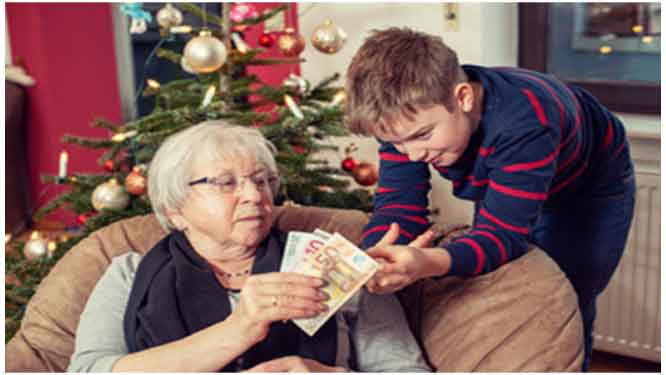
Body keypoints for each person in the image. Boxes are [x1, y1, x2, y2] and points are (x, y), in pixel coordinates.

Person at [344, 27, 635, 371]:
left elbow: (501, 236)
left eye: (422, 136)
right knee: (502, 279)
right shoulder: (403, 123)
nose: (411, 155)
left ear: (463, 97)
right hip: (513, 165)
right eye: (396, 144)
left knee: (567, 298)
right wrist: (367, 259)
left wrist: (427, 262)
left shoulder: (527, 122)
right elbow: (398, 209)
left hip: (588, 186)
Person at [68, 121, 431, 372]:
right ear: (175, 210)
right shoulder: (129, 274)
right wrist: (238, 329)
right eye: (225, 183)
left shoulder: (332, 262)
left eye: (261, 180)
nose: (254, 195)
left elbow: (405, 369)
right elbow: (87, 370)